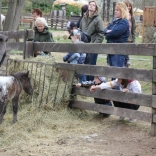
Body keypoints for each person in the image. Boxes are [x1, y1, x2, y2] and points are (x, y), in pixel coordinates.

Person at [80, 0, 104, 81]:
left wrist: (94, 45)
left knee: (91, 66)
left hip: (92, 47)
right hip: (83, 46)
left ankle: (90, 83)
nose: (91, 6)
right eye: (90, 4)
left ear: (96, 8)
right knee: (83, 64)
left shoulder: (98, 19)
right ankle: (84, 82)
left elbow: (101, 34)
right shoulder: (83, 18)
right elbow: (80, 30)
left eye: (93, 5)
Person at [104, 2, 129, 67]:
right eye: (115, 10)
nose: (115, 11)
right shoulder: (114, 21)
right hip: (111, 50)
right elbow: (104, 30)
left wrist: (108, 33)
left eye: (117, 10)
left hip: (118, 52)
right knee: (112, 73)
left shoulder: (124, 22)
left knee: (118, 73)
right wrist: (108, 32)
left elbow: (115, 33)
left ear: (122, 11)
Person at [123, 0, 136, 67]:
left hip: (128, 39)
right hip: (121, 39)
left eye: (129, 6)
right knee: (122, 56)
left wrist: (133, 39)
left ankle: (127, 66)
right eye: (127, 6)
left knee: (126, 55)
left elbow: (133, 30)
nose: (128, 7)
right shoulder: (121, 16)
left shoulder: (132, 17)